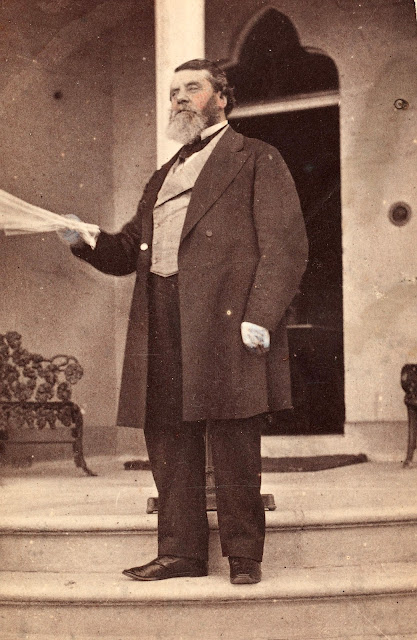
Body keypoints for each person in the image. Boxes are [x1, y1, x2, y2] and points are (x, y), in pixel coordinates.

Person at [60, 59, 308, 585]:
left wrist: (261, 315)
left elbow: (285, 246)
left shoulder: (257, 157)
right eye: (174, 90)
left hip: (226, 316)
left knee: (233, 434)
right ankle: (181, 554)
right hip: (161, 314)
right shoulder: (163, 174)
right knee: (168, 434)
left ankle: (244, 556)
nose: (179, 98)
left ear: (222, 98)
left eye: (192, 88)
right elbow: (128, 251)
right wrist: (86, 240)